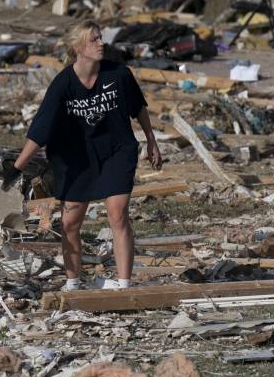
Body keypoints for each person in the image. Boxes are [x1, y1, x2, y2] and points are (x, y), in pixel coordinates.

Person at [13, 22, 162, 290]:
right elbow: (40, 131)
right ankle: (73, 283)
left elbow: (138, 107)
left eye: (100, 38)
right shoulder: (63, 84)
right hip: (76, 157)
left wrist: (151, 140)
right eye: (93, 40)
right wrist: (16, 169)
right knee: (70, 223)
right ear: (78, 47)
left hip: (116, 151)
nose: (101, 43)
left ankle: (124, 285)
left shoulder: (118, 74)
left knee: (117, 213)